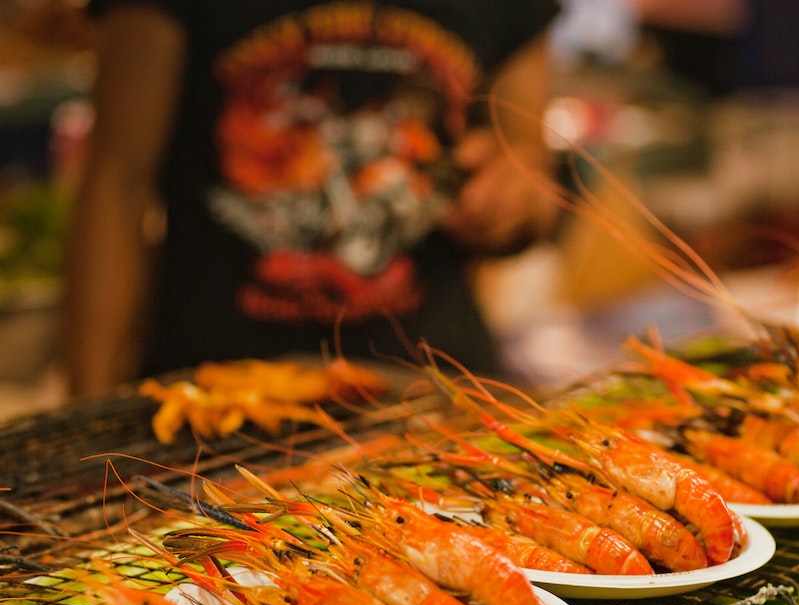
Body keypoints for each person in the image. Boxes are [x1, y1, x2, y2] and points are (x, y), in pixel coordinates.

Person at [62, 1, 561, 398]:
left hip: (433, 381)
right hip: (218, 386)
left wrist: (513, 200)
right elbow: (116, 184)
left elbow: (532, 172)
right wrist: (87, 406)